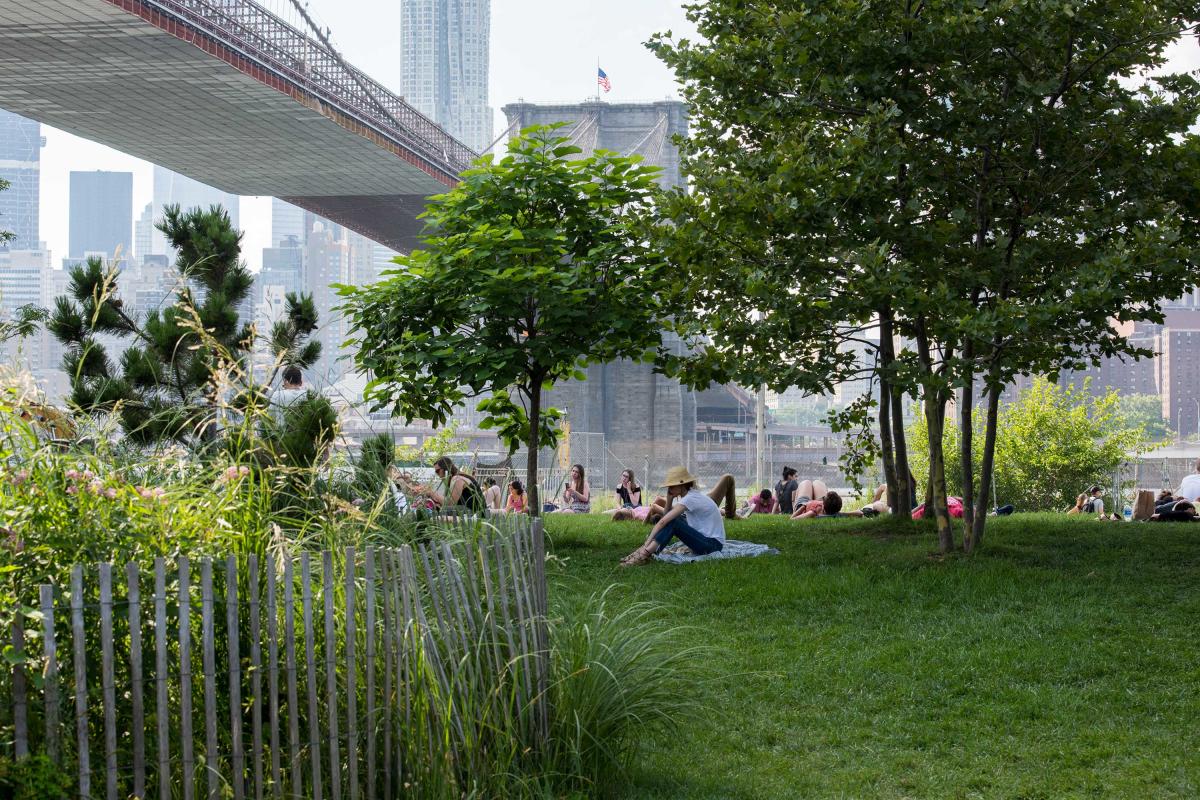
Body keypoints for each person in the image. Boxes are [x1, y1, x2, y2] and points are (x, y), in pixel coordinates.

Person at [619, 467, 726, 566]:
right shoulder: (691, 495)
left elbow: (663, 522)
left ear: (682, 485)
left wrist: (645, 545)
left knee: (674, 522)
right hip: (708, 542)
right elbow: (666, 518)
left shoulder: (690, 498)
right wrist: (669, 499)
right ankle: (646, 552)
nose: (669, 489)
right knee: (674, 521)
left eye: (672, 486)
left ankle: (644, 554)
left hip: (713, 546)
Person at [394, 456, 486, 514]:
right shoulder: (454, 478)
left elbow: (450, 503)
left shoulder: (457, 479)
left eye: (438, 471)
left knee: (435, 510)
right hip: (468, 509)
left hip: (475, 512)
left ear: (445, 468)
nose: (437, 474)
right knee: (433, 505)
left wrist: (432, 493)